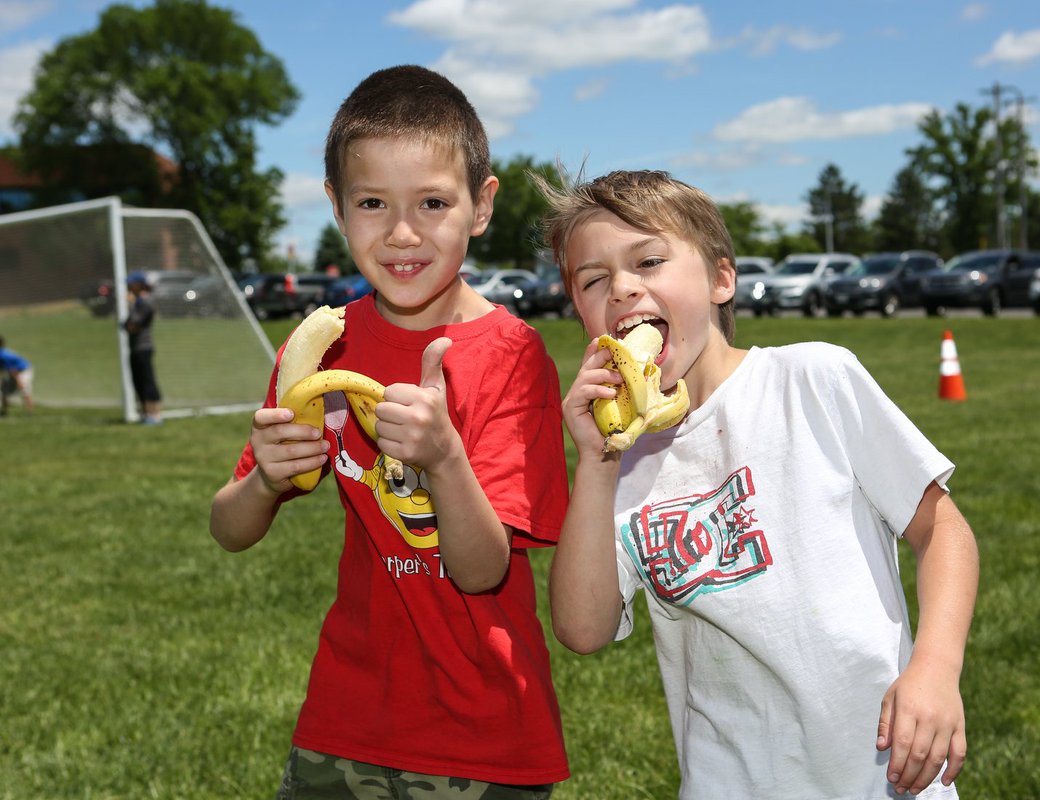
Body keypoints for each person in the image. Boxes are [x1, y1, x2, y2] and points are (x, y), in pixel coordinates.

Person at [537, 169, 979, 799]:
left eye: (650, 261)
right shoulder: (622, 464)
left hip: (881, 773)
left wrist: (936, 669)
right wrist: (598, 461)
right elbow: (583, 630)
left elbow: (943, 530)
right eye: (594, 280)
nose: (624, 289)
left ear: (721, 279)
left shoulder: (814, 379)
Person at [209, 65, 570, 799]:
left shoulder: (513, 357)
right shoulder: (321, 348)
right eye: (373, 203)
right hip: (345, 715)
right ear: (338, 208)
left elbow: (482, 569)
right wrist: (266, 478)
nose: (402, 233)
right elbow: (229, 527)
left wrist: (443, 458)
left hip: (484, 731)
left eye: (433, 202)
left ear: (480, 206)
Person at [124, 271, 163, 424]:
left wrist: (129, 308)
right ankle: (145, 413)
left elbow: (132, 325)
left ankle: (155, 414)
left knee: (147, 381)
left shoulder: (145, 302)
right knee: (138, 381)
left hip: (143, 347)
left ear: (139, 285)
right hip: (135, 347)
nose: (128, 286)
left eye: (131, 283)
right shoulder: (137, 301)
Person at [0, 334, 34, 415]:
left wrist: (19, 382)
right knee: (3, 390)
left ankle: (29, 412)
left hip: (23, 371)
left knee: (24, 390)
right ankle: (4, 412)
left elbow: (13, 370)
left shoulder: (4, 355)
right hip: (14, 372)